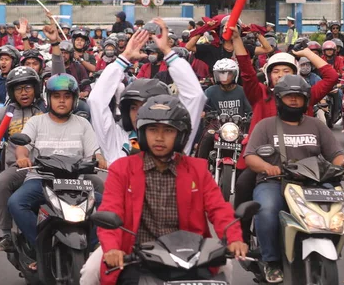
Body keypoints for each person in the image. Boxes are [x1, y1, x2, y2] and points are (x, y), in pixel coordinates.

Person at [81, 95, 246, 285]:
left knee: (225, 268)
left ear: (181, 135)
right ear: (142, 132)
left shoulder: (197, 169)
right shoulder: (122, 169)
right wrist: (111, 248)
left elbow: (219, 208)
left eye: (168, 130)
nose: (159, 138)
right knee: (90, 273)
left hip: (189, 256)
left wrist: (234, 238)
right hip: (135, 255)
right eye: (153, 130)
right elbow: (111, 210)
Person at [244, 75, 344, 283]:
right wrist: (268, 167)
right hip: (275, 182)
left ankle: (330, 243)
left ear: (306, 100)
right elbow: (250, 156)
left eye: (298, 96)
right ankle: (271, 262)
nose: (294, 100)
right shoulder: (265, 126)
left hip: (313, 183)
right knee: (266, 210)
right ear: (279, 100)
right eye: (288, 97)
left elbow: (336, 154)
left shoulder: (317, 125)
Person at [232, 27, 338, 243]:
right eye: (276, 71)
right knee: (243, 185)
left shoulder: (303, 97)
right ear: (269, 75)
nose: (280, 75)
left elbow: (331, 77)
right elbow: (246, 71)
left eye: (286, 71)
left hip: (304, 168)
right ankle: (240, 234)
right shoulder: (260, 94)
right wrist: (236, 39)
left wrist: (307, 53)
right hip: (265, 164)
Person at [7, 74, 105, 256]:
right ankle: (40, 249)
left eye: (67, 97)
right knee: (16, 202)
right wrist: (22, 157)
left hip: (76, 183)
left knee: (108, 205)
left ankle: (91, 248)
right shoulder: (36, 122)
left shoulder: (83, 124)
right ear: (48, 98)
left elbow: (94, 152)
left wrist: (100, 158)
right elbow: (22, 148)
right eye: (56, 96)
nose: (62, 101)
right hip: (40, 179)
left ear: (75, 100)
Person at [88, 18, 206, 164]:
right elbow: (96, 101)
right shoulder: (115, 138)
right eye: (133, 107)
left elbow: (195, 95)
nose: (138, 112)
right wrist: (124, 58)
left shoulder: (175, 138)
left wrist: (167, 52)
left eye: (144, 105)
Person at [0, 66, 48, 251]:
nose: (23, 93)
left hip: (48, 167)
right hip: (18, 169)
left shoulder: (46, 110)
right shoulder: (4, 113)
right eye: (18, 89)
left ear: (36, 89)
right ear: (12, 92)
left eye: (28, 88)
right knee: (2, 181)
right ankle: (7, 235)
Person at [198, 58, 252, 160]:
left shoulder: (242, 91)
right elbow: (200, 107)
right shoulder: (210, 91)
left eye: (228, 73)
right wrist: (203, 112)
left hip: (238, 128)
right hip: (216, 127)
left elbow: (250, 111)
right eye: (221, 73)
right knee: (207, 136)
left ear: (235, 74)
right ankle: (200, 164)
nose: (224, 76)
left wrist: (251, 116)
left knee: (251, 142)